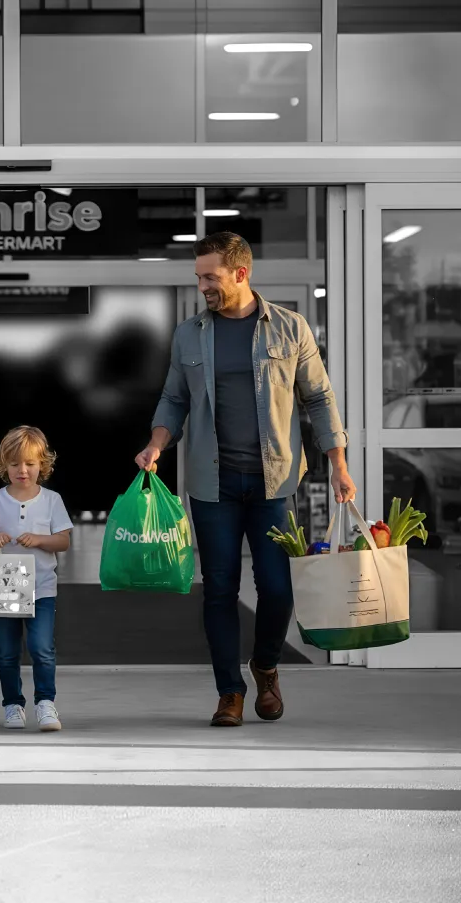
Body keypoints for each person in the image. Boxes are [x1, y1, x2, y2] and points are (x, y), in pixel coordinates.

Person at [135, 232, 355, 728]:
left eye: (210, 277)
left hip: (273, 483)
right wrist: (156, 443)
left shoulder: (290, 328)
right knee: (219, 589)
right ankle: (229, 693)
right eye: (198, 277)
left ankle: (267, 666)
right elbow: (174, 398)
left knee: (277, 589)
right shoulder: (189, 334)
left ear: (241, 274)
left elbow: (319, 399)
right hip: (212, 486)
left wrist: (338, 463)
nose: (202, 286)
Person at [0, 426, 73, 731]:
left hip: (42, 587)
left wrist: (41, 539)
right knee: (7, 652)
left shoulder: (52, 500)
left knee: (42, 647)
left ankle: (46, 703)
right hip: (7, 586)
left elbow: (64, 541)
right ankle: (13, 705)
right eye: (16, 463)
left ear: (41, 465)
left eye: (30, 463)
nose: (23, 470)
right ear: (4, 464)